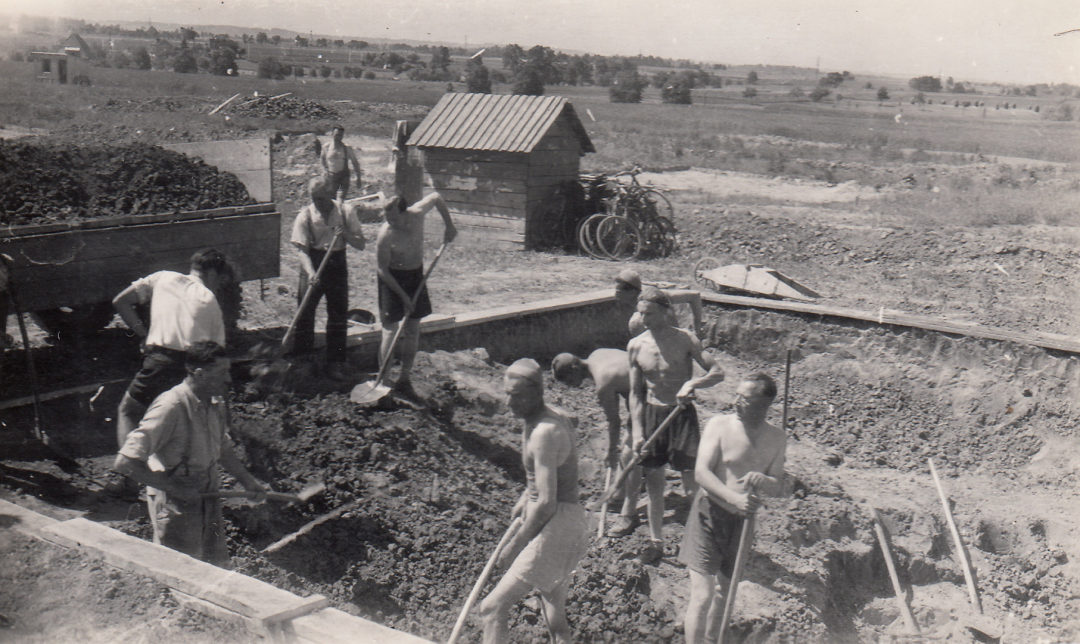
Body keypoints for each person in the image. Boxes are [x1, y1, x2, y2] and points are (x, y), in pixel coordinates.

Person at [113, 341, 266, 566]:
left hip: (207, 492)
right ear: (200, 374)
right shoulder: (170, 407)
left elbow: (221, 446)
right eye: (222, 373)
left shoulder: (215, 401)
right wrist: (176, 489)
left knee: (214, 566)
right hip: (176, 499)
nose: (228, 380)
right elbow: (125, 462)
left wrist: (247, 482)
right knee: (181, 572)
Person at [108, 248, 233, 498]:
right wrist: (224, 402)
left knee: (130, 410)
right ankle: (178, 477)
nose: (219, 286)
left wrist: (142, 334)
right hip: (191, 369)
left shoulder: (163, 277)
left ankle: (129, 478)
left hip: (160, 361)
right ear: (210, 273)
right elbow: (216, 355)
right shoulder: (209, 300)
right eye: (219, 280)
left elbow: (120, 301)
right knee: (182, 421)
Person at [480, 359, 589, 644]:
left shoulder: (543, 432)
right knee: (555, 617)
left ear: (536, 393)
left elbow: (546, 504)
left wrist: (514, 546)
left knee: (492, 608)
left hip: (558, 526)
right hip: (569, 524)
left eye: (515, 395)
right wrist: (525, 495)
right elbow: (548, 472)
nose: (508, 402)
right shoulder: (544, 419)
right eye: (506, 393)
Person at [680, 373, 787, 644]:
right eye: (736, 394)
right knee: (702, 596)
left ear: (763, 404)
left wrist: (765, 479)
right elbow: (701, 474)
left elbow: (777, 487)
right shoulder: (719, 425)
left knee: (725, 595)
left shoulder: (776, 437)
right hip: (708, 516)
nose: (735, 401)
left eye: (744, 398)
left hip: (742, 525)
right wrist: (733, 498)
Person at [626, 286, 725, 564]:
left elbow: (718, 372)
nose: (644, 319)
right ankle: (656, 542)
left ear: (666, 311)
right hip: (651, 416)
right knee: (654, 484)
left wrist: (692, 382)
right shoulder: (636, 346)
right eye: (641, 313)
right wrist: (636, 433)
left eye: (650, 313)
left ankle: (700, 543)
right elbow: (635, 394)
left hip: (681, 417)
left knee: (692, 485)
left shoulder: (685, 340)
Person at [375, 192, 456, 398]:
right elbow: (382, 270)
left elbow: (437, 196)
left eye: (393, 218)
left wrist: (449, 225)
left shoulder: (418, 213)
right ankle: (383, 381)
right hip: (391, 279)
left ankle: (404, 378)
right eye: (387, 218)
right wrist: (403, 297)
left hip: (414, 275)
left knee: (412, 329)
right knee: (390, 330)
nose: (390, 222)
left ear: (405, 213)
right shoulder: (385, 235)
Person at [550, 350, 638, 534]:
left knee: (631, 454)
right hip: (639, 393)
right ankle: (617, 497)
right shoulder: (597, 354)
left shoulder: (602, 383)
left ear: (575, 369)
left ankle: (628, 514)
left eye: (568, 381)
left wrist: (611, 450)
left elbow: (614, 422)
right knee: (626, 445)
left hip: (654, 396)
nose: (570, 386)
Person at [290, 176, 367, 380]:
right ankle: (303, 360)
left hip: (336, 264)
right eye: (314, 198)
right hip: (313, 264)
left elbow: (361, 244)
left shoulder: (345, 211)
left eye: (322, 198)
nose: (318, 203)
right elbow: (302, 251)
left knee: (337, 316)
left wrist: (345, 236)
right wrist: (311, 272)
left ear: (331, 195)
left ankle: (335, 362)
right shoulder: (305, 216)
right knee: (305, 314)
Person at [614, 268, 704, 339]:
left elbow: (695, 295)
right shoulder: (656, 294)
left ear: (632, 292)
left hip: (670, 347)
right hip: (671, 342)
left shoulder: (650, 304)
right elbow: (695, 295)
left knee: (635, 322)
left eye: (618, 292)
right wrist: (697, 331)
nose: (615, 295)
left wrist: (697, 331)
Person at [320, 124, 362, 201]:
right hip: (331, 176)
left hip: (344, 176)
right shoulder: (326, 147)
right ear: (332, 134)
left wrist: (358, 178)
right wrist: (324, 170)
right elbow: (322, 158)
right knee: (331, 199)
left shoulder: (347, 148)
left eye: (340, 135)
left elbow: (355, 163)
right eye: (336, 135)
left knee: (341, 199)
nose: (338, 137)